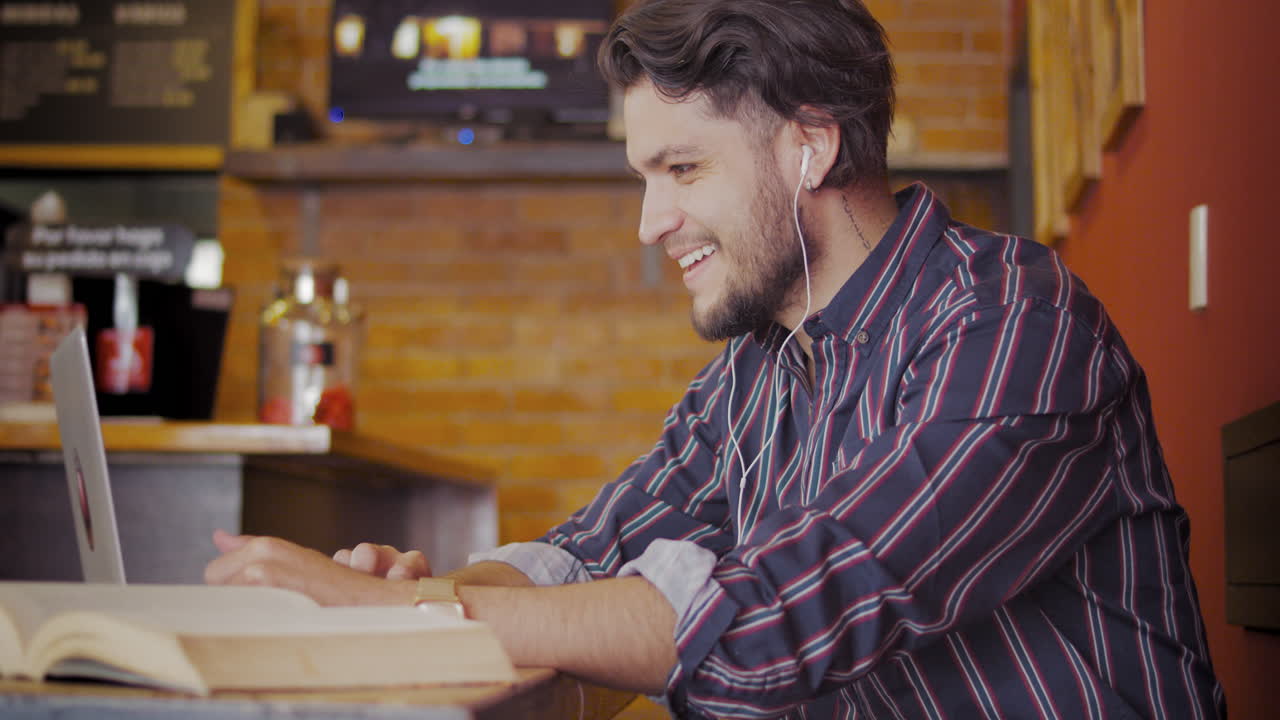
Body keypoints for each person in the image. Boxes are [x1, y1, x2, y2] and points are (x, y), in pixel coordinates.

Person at [206, 0, 1225, 717]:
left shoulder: (1013, 326)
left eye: (683, 168)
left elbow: (776, 620)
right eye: (643, 177)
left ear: (809, 145)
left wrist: (410, 610)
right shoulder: (751, 375)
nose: (651, 222)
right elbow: (584, 556)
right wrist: (424, 596)